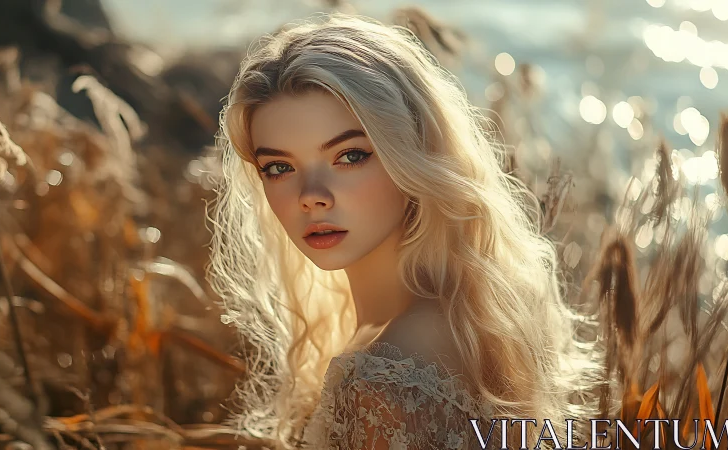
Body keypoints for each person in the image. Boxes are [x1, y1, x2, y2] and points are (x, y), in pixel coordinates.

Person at [206, 12, 603, 450]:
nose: (311, 195)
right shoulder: (457, 321)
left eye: (350, 156)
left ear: (412, 155)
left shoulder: (384, 376)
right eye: (280, 168)